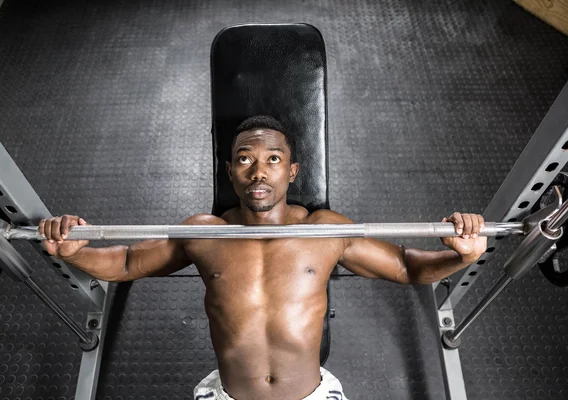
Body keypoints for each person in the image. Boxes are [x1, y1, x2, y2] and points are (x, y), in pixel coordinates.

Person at [39, 115, 487, 400]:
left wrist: (462, 256)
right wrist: (74, 252)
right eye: (245, 159)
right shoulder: (203, 233)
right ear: (230, 170)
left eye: (273, 159)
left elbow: (409, 268)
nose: (259, 171)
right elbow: (125, 264)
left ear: (291, 171)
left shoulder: (327, 230)